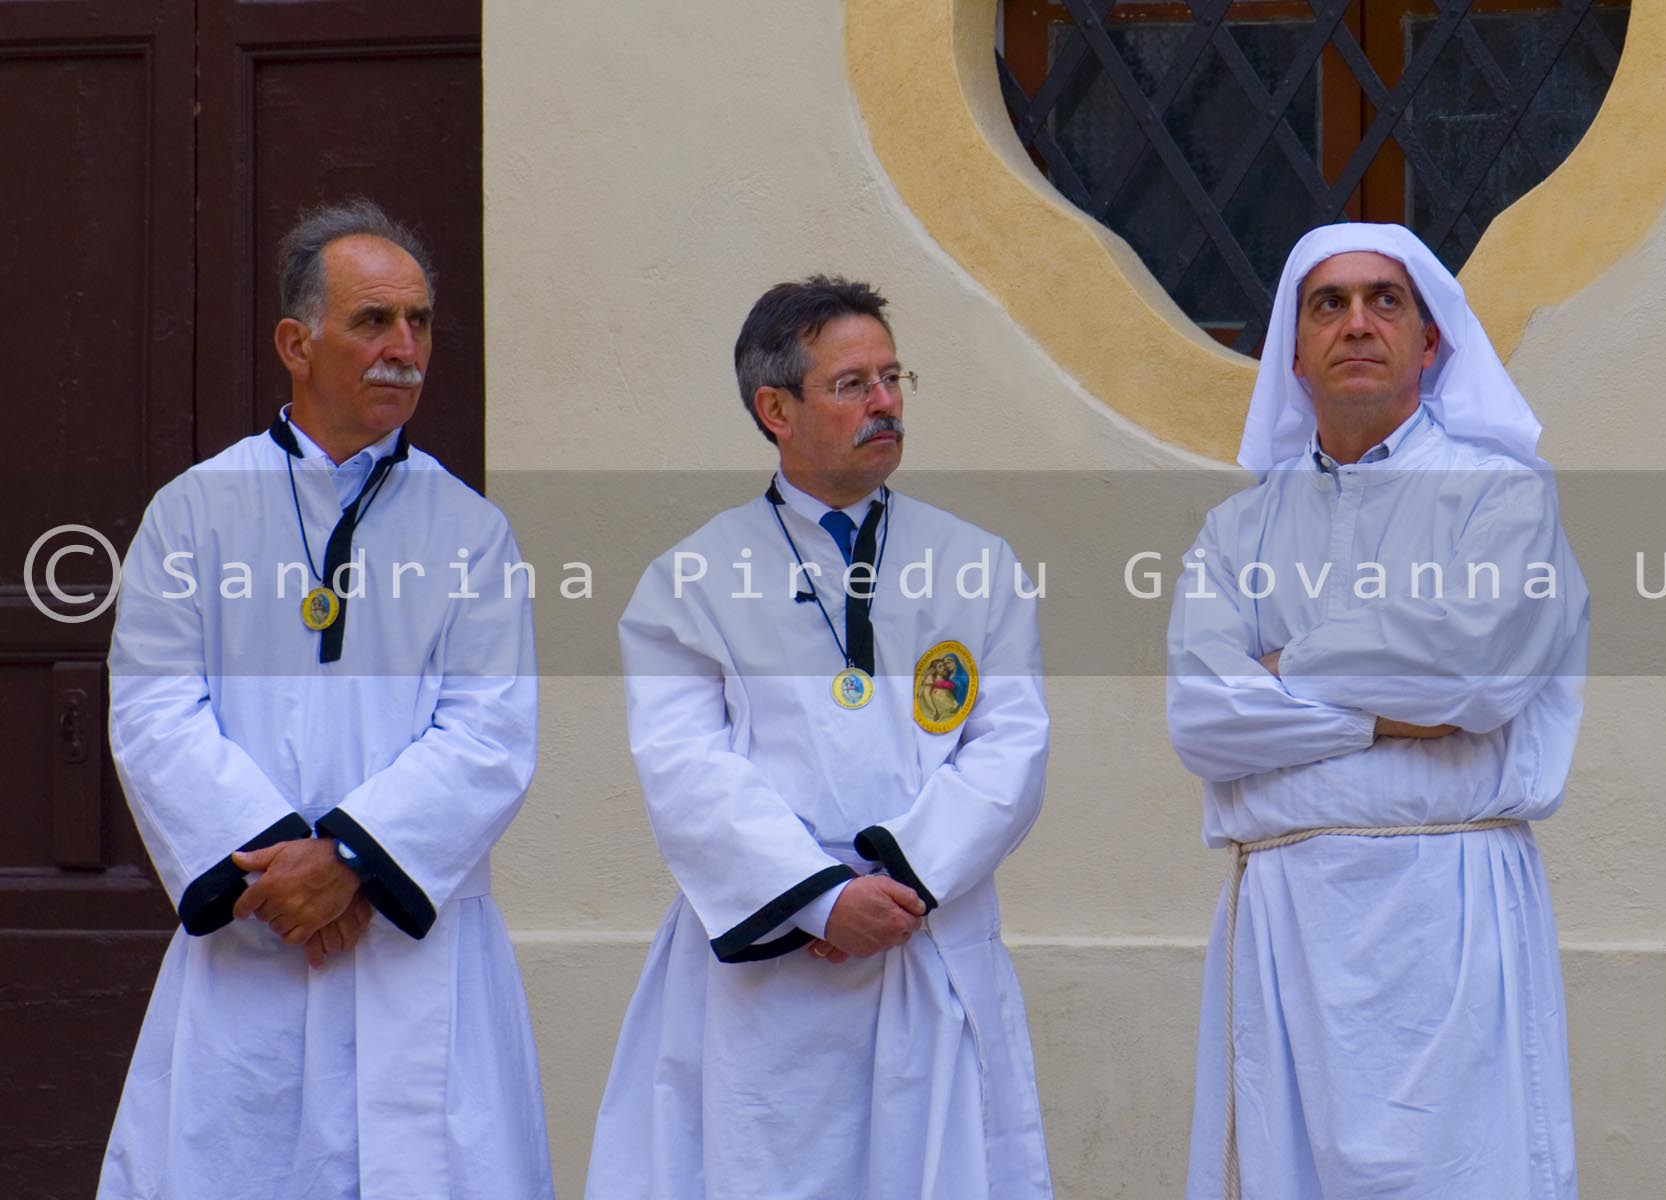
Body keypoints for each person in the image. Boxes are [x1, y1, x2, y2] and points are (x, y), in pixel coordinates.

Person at [99, 199, 553, 1199]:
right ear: (295, 343)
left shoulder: (471, 532)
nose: (405, 348)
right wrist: (277, 868)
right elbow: (154, 710)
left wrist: (350, 859)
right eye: (374, 322)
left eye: (421, 323)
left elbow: (490, 733)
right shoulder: (195, 514)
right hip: (254, 944)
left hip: (412, 958)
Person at [586, 276, 1052, 1198]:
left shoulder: (978, 563)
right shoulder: (690, 581)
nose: (885, 403)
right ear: (776, 409)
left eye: (892, 377)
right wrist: (821, 901)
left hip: (926, 937)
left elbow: (1012, 747)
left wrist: (901, 879)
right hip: (770, 979)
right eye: (851, 384)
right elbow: (688, 772)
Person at [1165, 222, 1589, 1199]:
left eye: (1384, 300)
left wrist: (1283, 670)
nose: (1358, 322)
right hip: (1291, 927)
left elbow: (1476, 674)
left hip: (1453, 912)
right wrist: (1386, 714)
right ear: (1295, 352)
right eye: (1329, 304)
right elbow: (1202, 719)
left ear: (1431, 341)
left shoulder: (1504, 499)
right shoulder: (1237, 530)